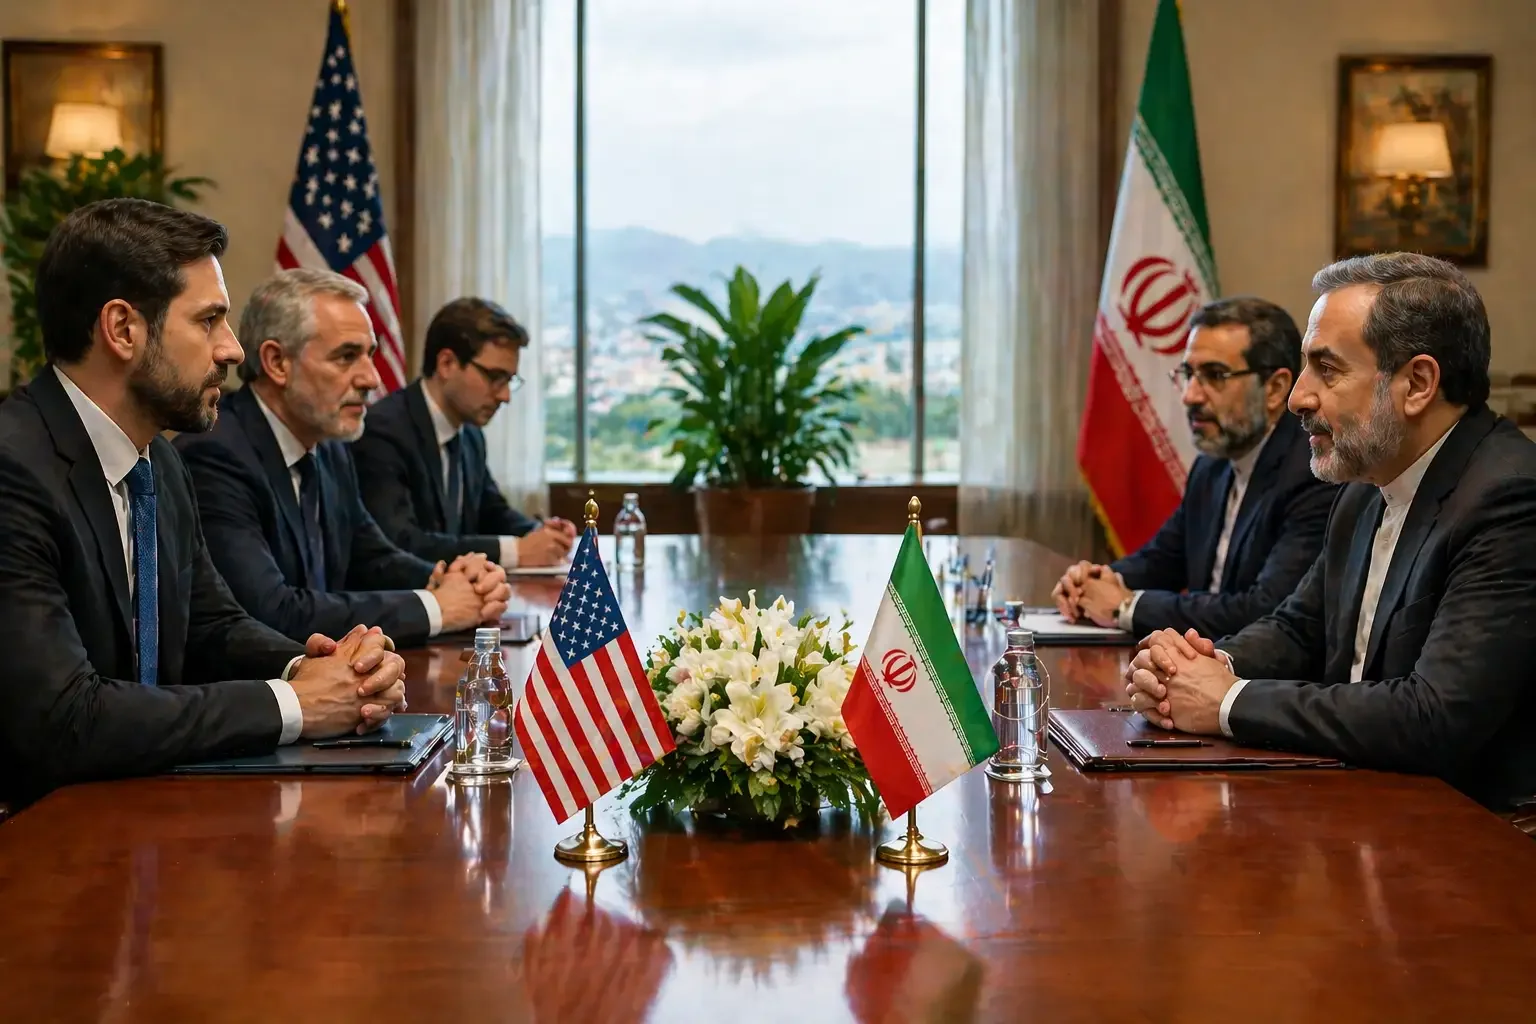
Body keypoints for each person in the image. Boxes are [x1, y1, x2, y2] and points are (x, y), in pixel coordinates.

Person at [0, 198, 407, 808]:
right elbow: (64, 718)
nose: (233, 349)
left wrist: (318, 671)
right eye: (209, 320)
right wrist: (295, 705)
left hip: (137, 812)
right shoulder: (14, 468)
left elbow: (208, 625)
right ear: (123, 329)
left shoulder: (158, 458)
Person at [1125, 252, 1536, 810]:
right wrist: (1199, 668)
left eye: (1328, 368)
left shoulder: (1508, 499)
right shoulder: (1366, 483)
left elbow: (1434, 716)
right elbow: (1299, 628)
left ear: (1417, 383)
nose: (1298, 396)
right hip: (1363, 797)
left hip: (1475, 834)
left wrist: (1227, 702)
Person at [174, 270, 511, 646]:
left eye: (370, 355)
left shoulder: (331, 446)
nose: (370, 379)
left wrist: (447, 578)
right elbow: (270, 610)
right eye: (347, 357)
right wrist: (436, 607)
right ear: (277, 362)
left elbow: (370, 556)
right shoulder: (217, 454)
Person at [1054, 297, 1337, 637]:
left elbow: (1267, 609)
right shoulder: (1211, 468)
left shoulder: (1311, 472)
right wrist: (1092, 583)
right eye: (1188, 373)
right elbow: (1161, 560)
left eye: (1214, 375)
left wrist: (1126, 606)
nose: (1190, 395)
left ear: (1275, 389)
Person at [351, 297, 576, 568]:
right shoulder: (383, 431)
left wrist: (539, 535)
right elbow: (400, 542)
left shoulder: (470, 434)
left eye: (509, 381)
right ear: (447, 363)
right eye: (495, 377)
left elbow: (491, 512)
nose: (505, 396)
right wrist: (516, 551)